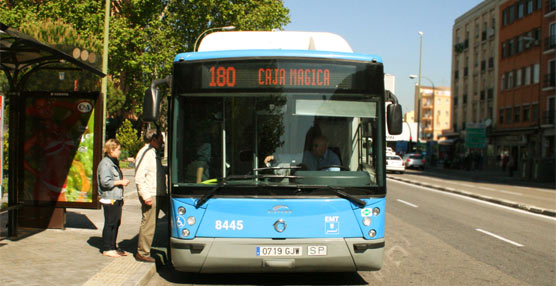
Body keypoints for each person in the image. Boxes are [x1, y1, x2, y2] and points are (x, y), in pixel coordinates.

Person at [135, 130, 166, 263]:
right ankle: (142, 252)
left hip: (159, 194)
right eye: (160, 139)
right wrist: (145, 195)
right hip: (151, 195)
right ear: (153, 139)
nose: (162, 142)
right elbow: (139, 177)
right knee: (149, 224)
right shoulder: (146, 153)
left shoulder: (153, 153)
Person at [97, 139, 130, 258]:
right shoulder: (106, 163)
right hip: (109, 198)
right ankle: (107, 248)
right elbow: (105, 182)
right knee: (110, 222)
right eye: (118, 149)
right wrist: (121, 181)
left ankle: (113, 246)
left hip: (116, 197)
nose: (120, 152)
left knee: (116, 222)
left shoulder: (113, 162)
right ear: (111, 149)